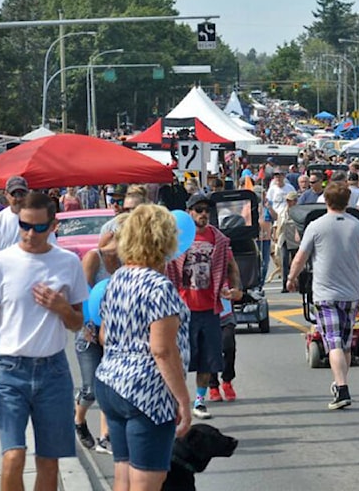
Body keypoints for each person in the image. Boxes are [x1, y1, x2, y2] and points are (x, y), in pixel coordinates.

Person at [0, 192, 90, 491]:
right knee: (13, 456)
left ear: (53, 226)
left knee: (49, 462)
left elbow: (78, 323)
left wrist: (62, 308)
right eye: (24, 226)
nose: (29, 234)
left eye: (39, 228)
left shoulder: (67, 263)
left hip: (53, 371)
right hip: (9, 371)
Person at [94, 204, 192, 490]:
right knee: (148, 480)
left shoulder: (117, 280)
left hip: (110, 380)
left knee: (123, 473)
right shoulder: (159, 287)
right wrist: (183, 400)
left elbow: (103, 335)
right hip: (146, 389)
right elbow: (162, 350)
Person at [286, 182, 359, 409]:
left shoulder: (316, 226)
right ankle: (341, 381)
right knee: (346, 343)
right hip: (351, 292)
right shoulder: (358, 226)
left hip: (325, 293)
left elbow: (301, 257)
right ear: (347, 202)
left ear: (327, 202)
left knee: (333, 343)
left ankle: (341, 389)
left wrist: (292, 277)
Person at [165, 191, 240, 421]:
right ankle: (177, 401)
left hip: (209, 308)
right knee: (178, 359)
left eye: (207, 210)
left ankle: (199, 400)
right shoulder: (177, 239)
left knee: (208, 358)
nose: (203, 214)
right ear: (189, 212)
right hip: (183, 310)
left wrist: (236, 288)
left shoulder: (218, 239)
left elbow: (231, 267)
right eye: (199, 210)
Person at [74, 212, 127, 455]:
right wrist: (86, 327)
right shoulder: (94, 258)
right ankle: (79, 419)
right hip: (89, 330)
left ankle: (106, 437)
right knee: (91, 390)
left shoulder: (128, 261)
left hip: (115, 331)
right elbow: (83, 293)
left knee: (109, 385)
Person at [0, 176, 56, 259]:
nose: (19, 198)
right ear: (6, 194)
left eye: (22, 194)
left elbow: (51, 248)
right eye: (14, 194)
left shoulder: (39, 219)